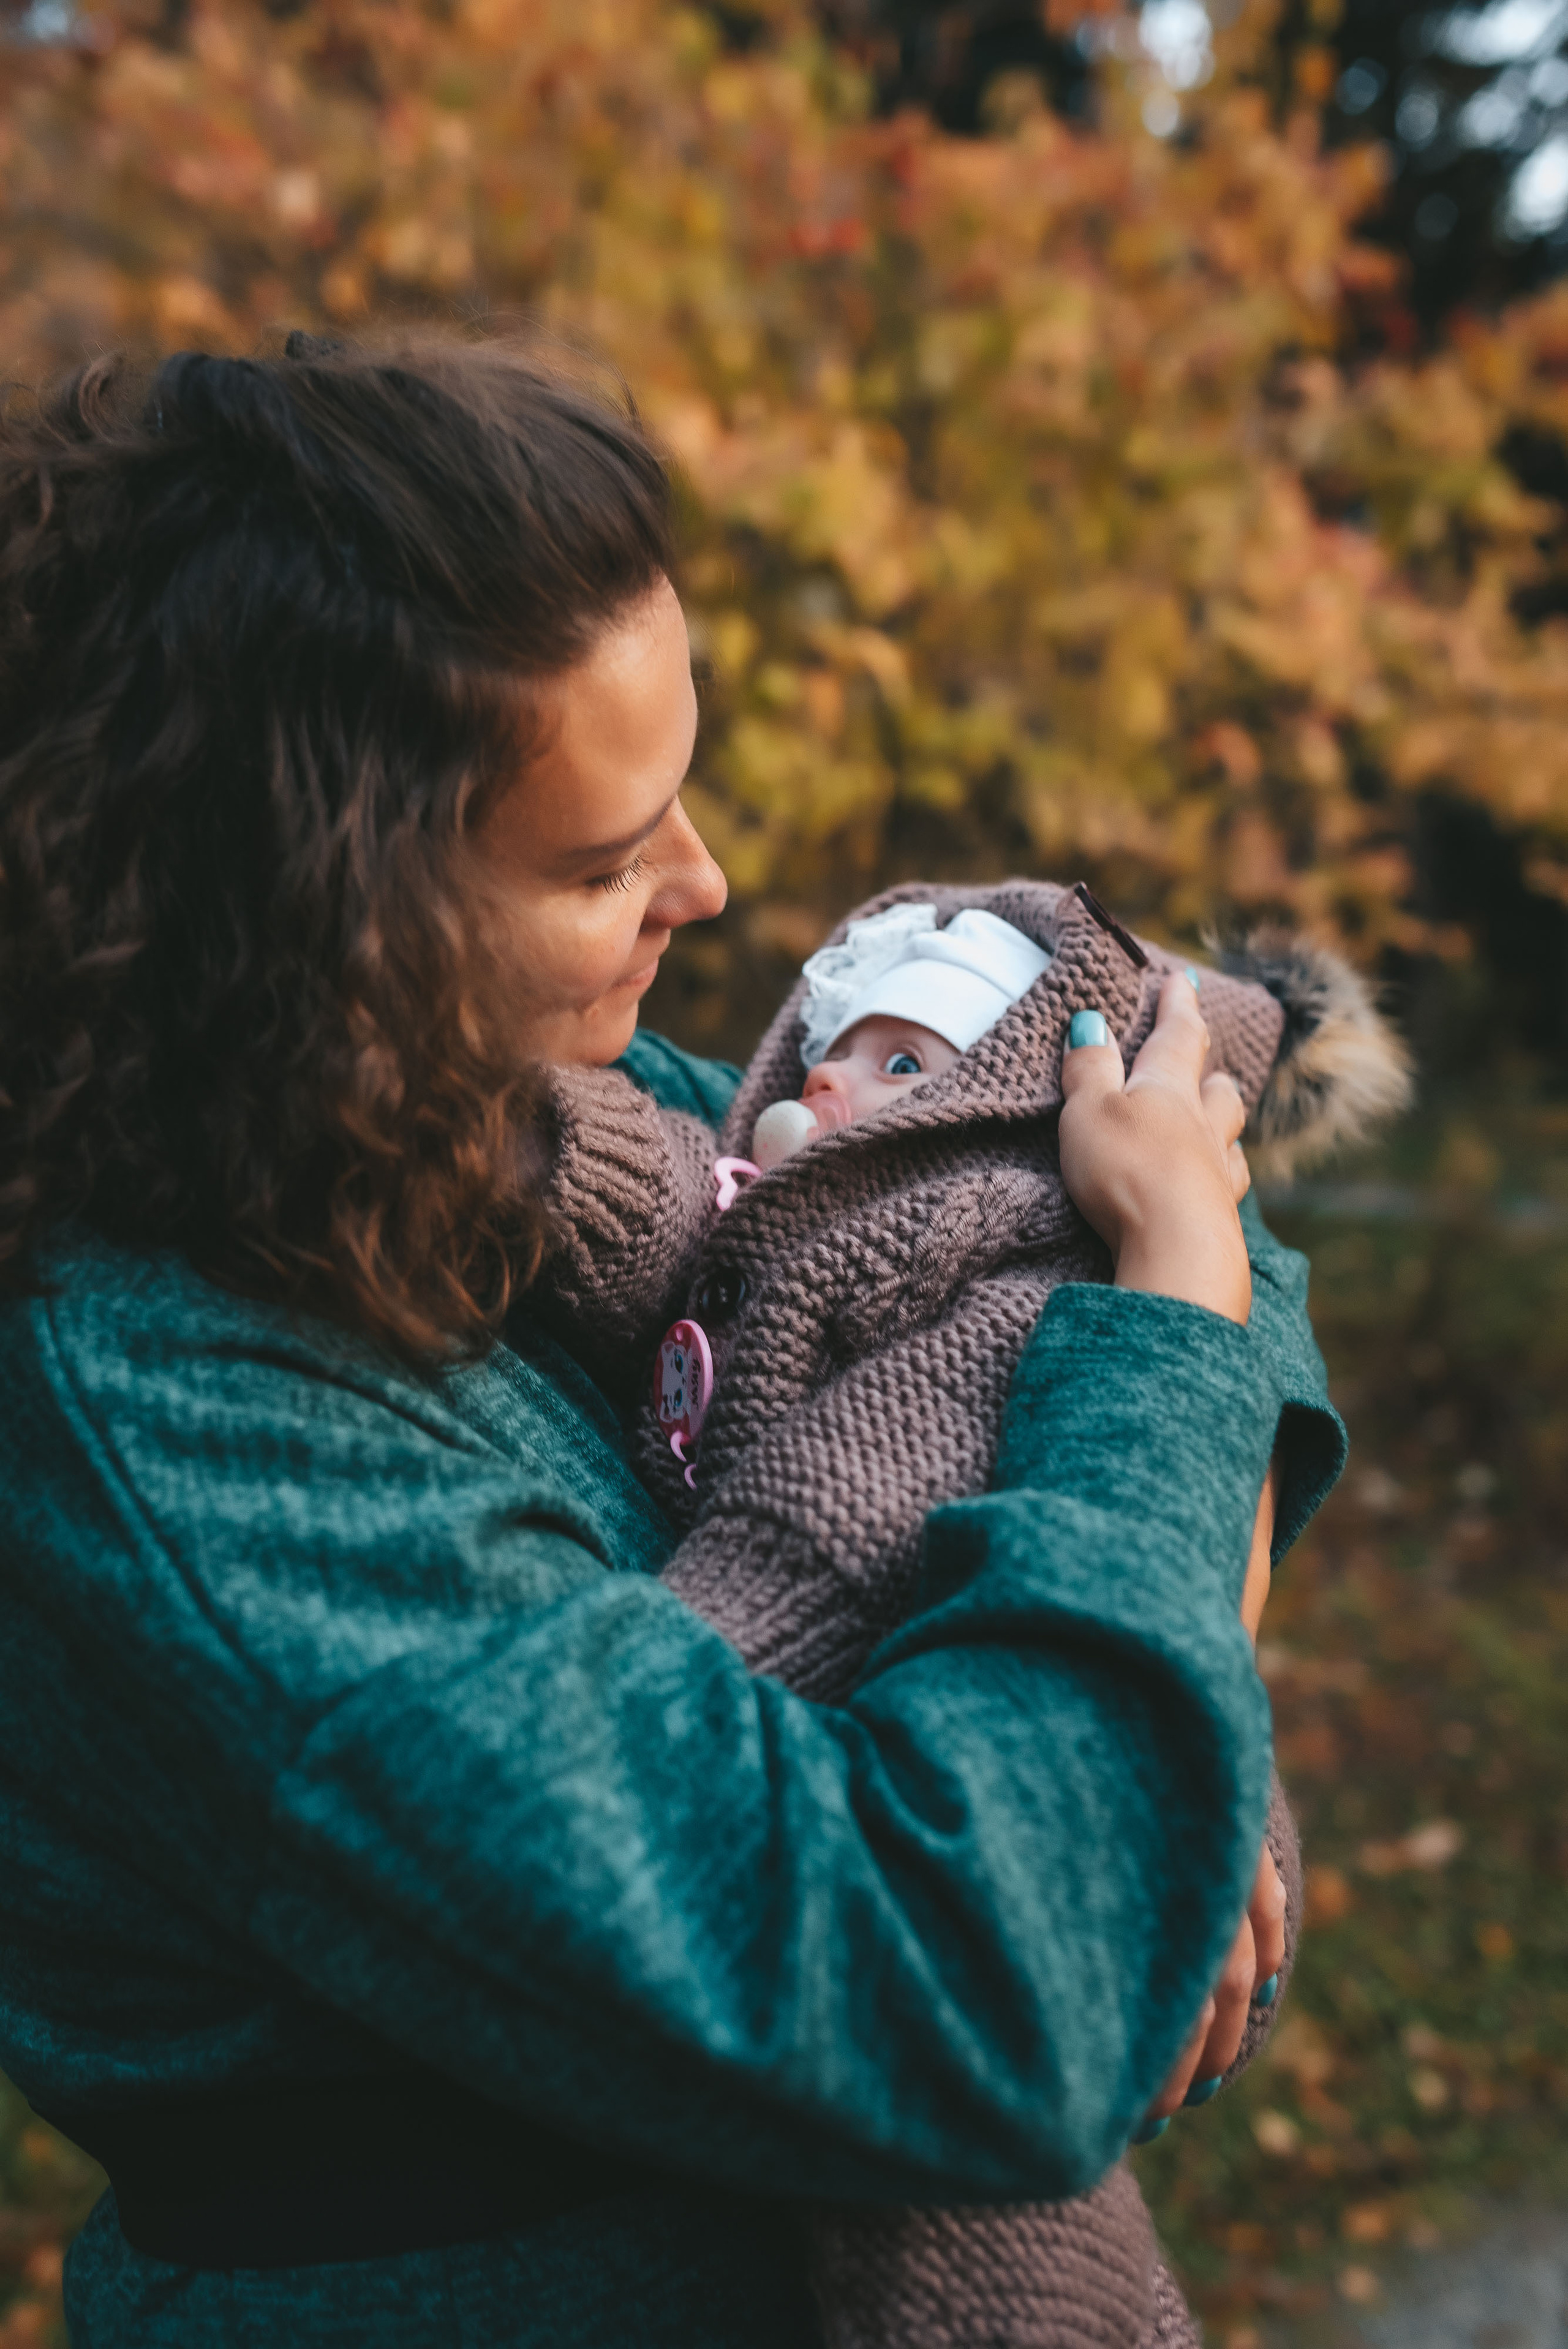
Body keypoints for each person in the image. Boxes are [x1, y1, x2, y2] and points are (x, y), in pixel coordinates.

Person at [0, 335, 1346, 2349]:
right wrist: (1148, 1480)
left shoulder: (509, 1113)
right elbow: (987, 1989)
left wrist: (1163, 1709)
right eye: (594, 857)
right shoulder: (192, 1430)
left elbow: (1137, 1201)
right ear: (312, 910)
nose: (704, 885)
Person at [532, 883, 1409, 2349]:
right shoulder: (774, 1185)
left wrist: (1185, 1243)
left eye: (903, 1067)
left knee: (977, 2220)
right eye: (839, 1047)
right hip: (917, 1790)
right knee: (972, 2123)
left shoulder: (991, 1254)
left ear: (1015, 1111)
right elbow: (650, 1176)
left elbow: (847, 1519)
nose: (829, 1082)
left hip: (910, 1670)